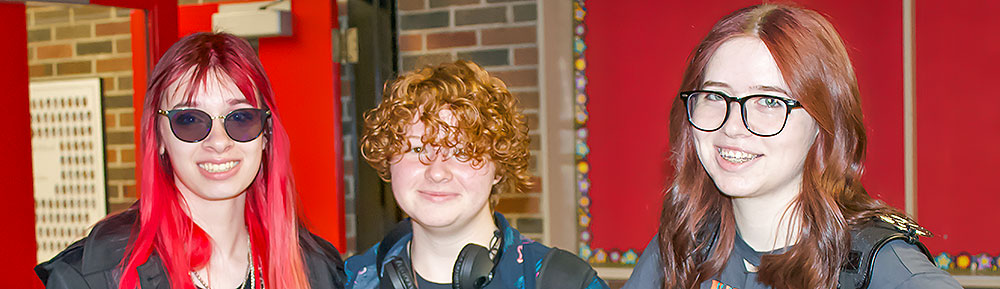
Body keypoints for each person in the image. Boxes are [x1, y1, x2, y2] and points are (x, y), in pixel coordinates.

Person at [622, 4, 961, 289]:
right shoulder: (683, 248)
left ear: (823, 124)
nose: (733, 126)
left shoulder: (886, 271)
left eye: (768, 101)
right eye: (714, 96)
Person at [35, 32, 345, 289]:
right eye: (190, 120)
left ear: (265, 134)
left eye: (240, 118)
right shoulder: (94, 277)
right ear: (158, 138)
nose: (219, 142)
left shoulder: (315, 269)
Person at [346, 60, 607, 289]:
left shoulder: (565, 281)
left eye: (462, 152)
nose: (437, 172)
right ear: (389, 158)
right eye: (417, 149)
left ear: (498, 167)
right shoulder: (348, 280)